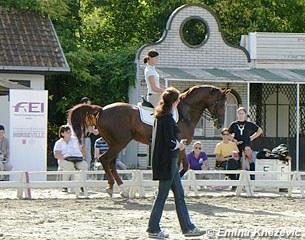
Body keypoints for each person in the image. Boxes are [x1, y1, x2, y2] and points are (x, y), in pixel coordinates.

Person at [147, 87, 204, 239]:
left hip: (169, 160)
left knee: (179, 194)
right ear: (174, 101)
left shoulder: (161, 116)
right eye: (178, 100)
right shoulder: (166, 118)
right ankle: (153, 228)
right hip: (169, 160)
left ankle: (187, 227)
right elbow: (169, 141)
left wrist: (177, 144)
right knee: (163, 194)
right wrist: (179, 145)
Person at [53, 125, 88, 192]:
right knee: (69, 165)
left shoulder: (76, 140)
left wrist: (83, 152)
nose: (70, 134)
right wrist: (64, 157)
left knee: (84, 165)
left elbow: (83, 151)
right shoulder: (59, 143)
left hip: (77, 159)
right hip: (64, 160)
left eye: (70, 132)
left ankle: (81, 185)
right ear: (62, 134)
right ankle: (65, 185)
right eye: (67, 132)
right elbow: (56, 154)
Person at [80, 97, 99, 169]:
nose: (90, 106)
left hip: (87, 138)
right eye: (89, 104)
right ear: (84, 104)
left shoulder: (90, 116)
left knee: (88, 157)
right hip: (80, 138)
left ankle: (87, 175)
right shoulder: (79, 114)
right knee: (81, 156)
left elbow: (93, 128)